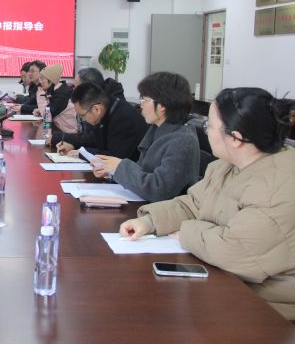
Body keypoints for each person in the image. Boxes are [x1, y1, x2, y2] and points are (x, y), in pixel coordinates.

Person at [119, 87, 295, 320]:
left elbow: (235, 251)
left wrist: (186, 232)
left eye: (209, 126)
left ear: (236, 138)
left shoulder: (278, 185)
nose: (205, 132)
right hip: (227, 287)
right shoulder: (226, 165)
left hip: (268, 311)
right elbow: (193, 203)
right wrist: (150, 222)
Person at [91, 72, 200, 201]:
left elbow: (159, 190)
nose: (141, 105)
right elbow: (142, 170)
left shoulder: (183, 141)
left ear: (162, 106)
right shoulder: (157, 129)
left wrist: (120, 167)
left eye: (144, 100)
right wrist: (112, 172)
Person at [56, 82, 147, 161]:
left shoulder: (124, 119)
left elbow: (114, 157)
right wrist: (73, 146)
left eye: (82, 116)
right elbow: (94, 140)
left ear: (96, 109)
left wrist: (82, 153)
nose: (84, 120)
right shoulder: (107, 109)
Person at [50, 67, 125, 149]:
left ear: (89, 90)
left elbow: (93, 140)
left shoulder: (110, 108)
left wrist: (61, 138)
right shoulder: (95, 100)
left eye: (77, 88)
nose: (73, 91)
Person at [32, 64, 77, 133]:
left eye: (42, 79)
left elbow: (46, 116)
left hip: (67, 134)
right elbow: (50, 111)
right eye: (40, 79)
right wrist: (41, 110)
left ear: (51, 79)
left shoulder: (62, 94)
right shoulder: (56, 90)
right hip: (59, 130)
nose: (40, 82)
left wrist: (41, 96)